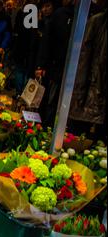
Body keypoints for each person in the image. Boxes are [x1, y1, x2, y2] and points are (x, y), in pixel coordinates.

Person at [68, 0, 107, 141]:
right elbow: (83, 60)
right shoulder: (97, 22)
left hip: (97, 90)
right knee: (78, 136)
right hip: (91, 89)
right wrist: (79, 94)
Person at [35, 0, 74, 128]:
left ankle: (49, 126)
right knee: (50, 99)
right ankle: (45, 127)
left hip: (65, 67)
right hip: (54, 66)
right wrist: (42, 65)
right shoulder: (59, 15)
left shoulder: (75, 15)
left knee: (56, 100)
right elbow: (47, 43)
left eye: (48, 6)